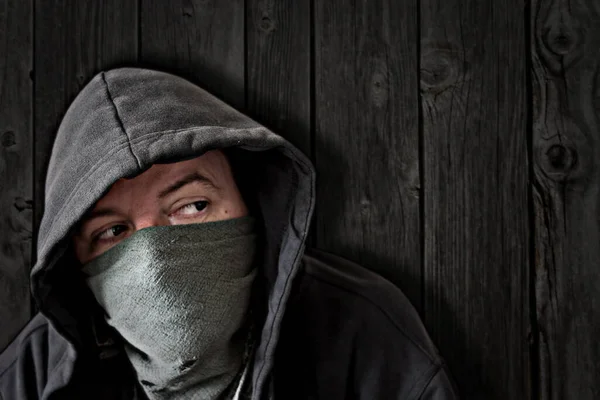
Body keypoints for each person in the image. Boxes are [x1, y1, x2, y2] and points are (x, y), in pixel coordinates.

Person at [0, 67, 459, 399]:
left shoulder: (366, 333)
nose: (155, 265)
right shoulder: (34, 375)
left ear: (250, 202)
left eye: (192, 206)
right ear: (76, 263)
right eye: (113, 231)